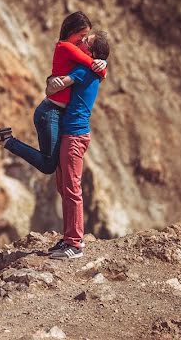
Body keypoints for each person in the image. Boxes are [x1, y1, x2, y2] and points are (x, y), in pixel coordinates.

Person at [0, 12, 106, 175]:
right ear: (72, 31)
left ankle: (6, 140)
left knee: (54, 163)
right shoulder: (66, 47)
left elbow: (88, 69)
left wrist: (102, 64)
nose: (83, 40)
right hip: (51, 113)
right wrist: (102, 67)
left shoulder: (70, 49)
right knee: (49, 165)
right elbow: (91, 65)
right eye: (82, 36)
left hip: (56, 113)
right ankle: (7, 141)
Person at [42, 31, 111, 259]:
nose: (80, 42)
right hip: (70, 134)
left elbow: (54, 88)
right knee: (64, 187)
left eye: (86, 42)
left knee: (71, 189)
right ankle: (69, 237)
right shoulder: (92, 68)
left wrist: (52, 83)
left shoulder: (83, 69)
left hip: (74, 135)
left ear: (91, 52)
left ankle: (74, 244)